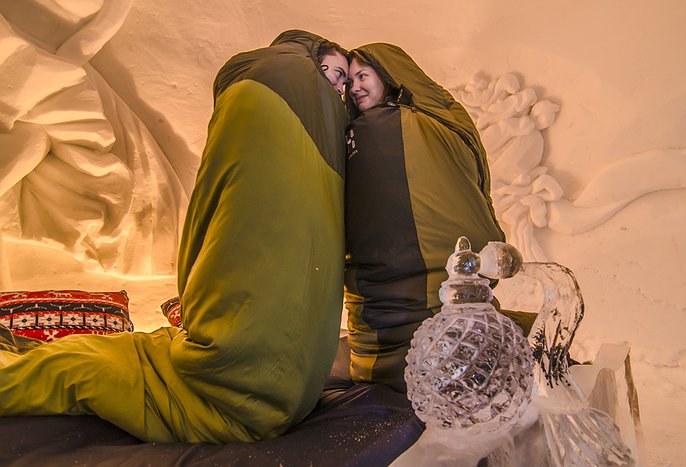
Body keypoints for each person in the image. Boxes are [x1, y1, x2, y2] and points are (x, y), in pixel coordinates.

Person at [0, 30, 349, 444]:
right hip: (246, 371)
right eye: (332, 71)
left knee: (73, 364)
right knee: (79, 349)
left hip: (222, 380)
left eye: (344, 78)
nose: (340, 86)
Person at [343, 44, 508, 393]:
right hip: (376, 286)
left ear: (388, 77)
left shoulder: (414, 123)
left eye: (363, 76)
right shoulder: (358, 130)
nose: (354, 86)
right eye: (350, 80)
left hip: (432, 281)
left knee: (452, 337)